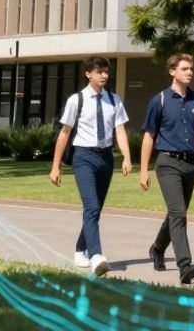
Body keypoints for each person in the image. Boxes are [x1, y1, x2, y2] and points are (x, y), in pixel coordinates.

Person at [139, 53, 194, 285]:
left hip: (191, 164)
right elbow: (148, 136)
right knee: (179, 213)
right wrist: (143, 170)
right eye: (185, 68)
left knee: (177, 212)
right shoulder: (160, 100)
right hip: (167, 163)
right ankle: (185, 265)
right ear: (172, 71)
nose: (190, 72)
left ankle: (157, 248)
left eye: (191, 69)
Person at [49, 56, 133, 277]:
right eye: (99, 72)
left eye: (106, 72)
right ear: (88, 74)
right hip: (83, 156)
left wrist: (126, 156)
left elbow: (120, 130)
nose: (104, 75)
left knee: (95, 209)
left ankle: (81, 248)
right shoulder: (76, 100)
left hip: (106, 157)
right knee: (92, 206)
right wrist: (55, 166)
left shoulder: (114, 100)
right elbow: (64, 133)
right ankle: (96, 256)